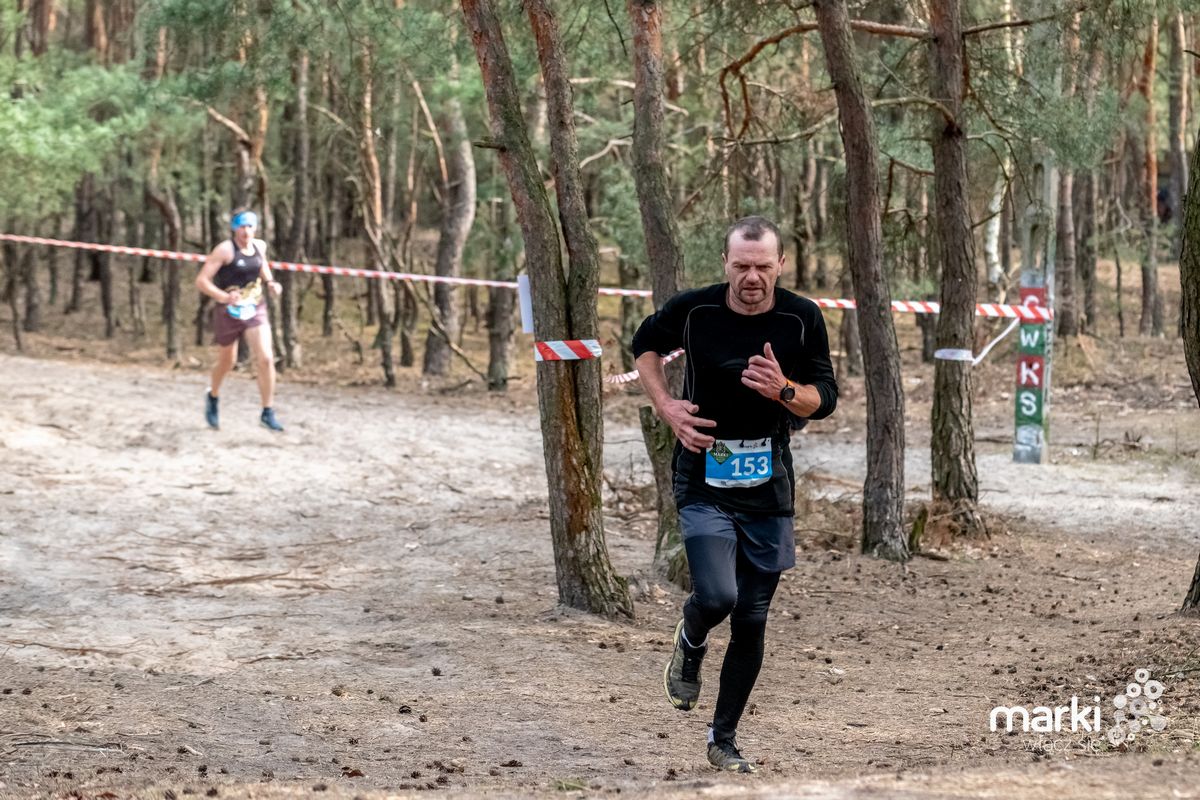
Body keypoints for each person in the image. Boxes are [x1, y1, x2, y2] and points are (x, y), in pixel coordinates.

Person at [631, 215, 838, 773]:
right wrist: (666, 406)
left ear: (781, 265)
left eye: (762, 266)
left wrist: (785, 390)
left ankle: (722, 739)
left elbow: (826, 396)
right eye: (742, 266)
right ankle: (692, 636)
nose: (752, 277)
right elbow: (644, 345)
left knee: (752, 616)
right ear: (725, 263)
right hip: (704, 475)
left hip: (769, 484)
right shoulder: (694, 310)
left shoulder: (801, 317)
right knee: (719, 596)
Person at [195, 209, 285, 432]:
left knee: (266, 358)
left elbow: (262, 265)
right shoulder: (225, 250)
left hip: (255, 308)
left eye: (250, 226)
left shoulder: (259, 246)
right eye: (242, 226)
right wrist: (223, 297)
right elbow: (202, 281)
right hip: (229, 311)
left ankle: (267, 411)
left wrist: (270, 282)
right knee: (228, 361)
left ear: (256, 228)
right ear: (234, 228)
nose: (246, 231)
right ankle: (213, 395)